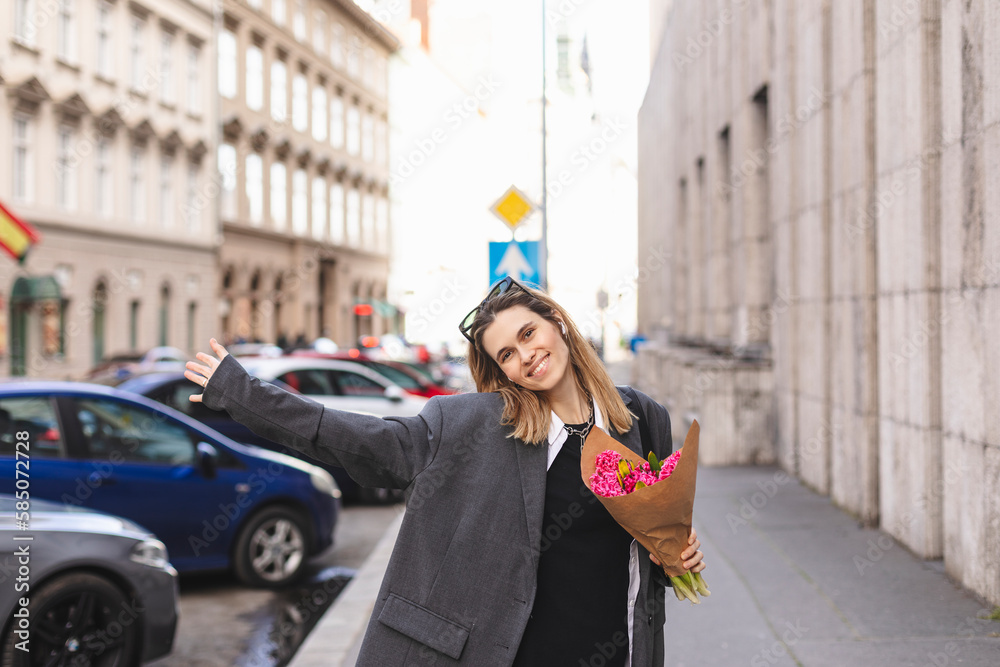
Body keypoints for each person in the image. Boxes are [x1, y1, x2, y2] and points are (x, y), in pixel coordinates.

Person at [185, 275, 705, 666]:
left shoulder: (642, 419)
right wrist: (244, 394)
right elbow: (360, 439)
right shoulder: (473, 426)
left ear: (558, 324)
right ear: (500, 370)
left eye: (529, 333)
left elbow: (647, 547)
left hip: (617, 649)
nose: (527, 355)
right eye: (508, 353)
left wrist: (676, 556)